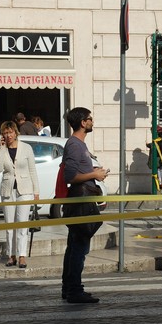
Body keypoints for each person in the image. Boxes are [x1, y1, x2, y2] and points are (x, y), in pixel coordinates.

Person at [61, 107, 108, 303]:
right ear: (82, 122)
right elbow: (70, 176)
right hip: (80, 201)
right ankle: (73, 290)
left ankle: (71, 288)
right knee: (78, 248)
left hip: (83, 199)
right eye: (89, 119)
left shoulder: (79, 145)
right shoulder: (74, 145)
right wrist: (94, 175)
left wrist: (93, 170)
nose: (92, 122)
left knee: (75, 246)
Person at [0, 120, 39, 269]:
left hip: (24, 190)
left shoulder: (26, 148)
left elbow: (32, 170)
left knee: (22, 224)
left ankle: (22, 256)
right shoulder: (1, 149)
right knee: (9, 225)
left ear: (15, 132)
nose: (8, 135)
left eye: (10, 132)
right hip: (8, 190)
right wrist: (0, 150)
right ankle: (11, 255)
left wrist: (36, 192)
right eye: (5, 133)